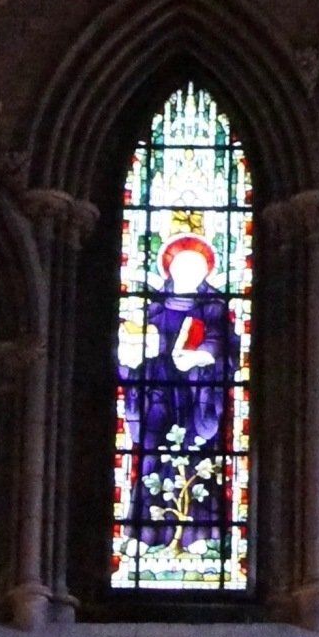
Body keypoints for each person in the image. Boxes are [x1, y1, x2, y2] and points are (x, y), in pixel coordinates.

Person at [122, 233, 239, 553]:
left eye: (196, 267)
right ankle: (145, 534)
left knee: (198, 456)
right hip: (157, 390)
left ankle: (197, 535)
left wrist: (201, 356)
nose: (188, 272)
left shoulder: (214, 306)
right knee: (151, 458)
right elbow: (132, 348)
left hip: (196, 395)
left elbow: (224, 344)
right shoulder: (154, 307)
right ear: (170, 269)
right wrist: (133, 353)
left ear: (205, 273)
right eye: (182, 266)